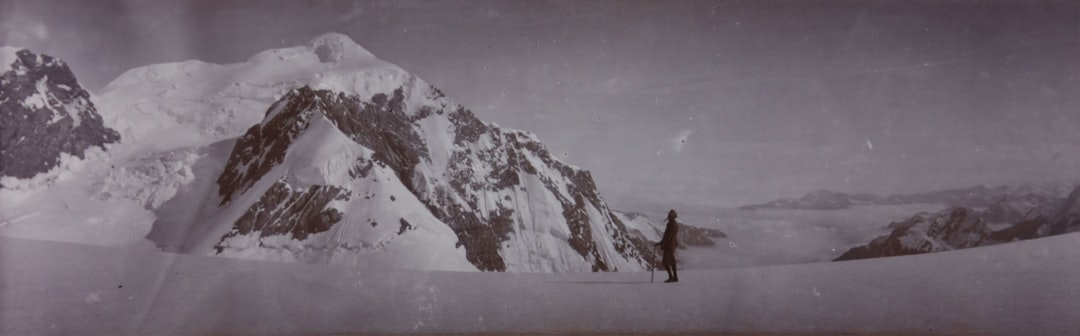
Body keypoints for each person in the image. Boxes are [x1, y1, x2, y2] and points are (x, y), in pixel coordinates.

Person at [655, 209, 680, 283]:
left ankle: (671, 277)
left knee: (665, 262)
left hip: (669, 245)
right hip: (672, 245)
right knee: (672, 261)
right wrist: (661, 243)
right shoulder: (673, 224)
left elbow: (668, 236)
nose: (668, 216)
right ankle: (675, 277)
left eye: (669, 215)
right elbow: (669, 236)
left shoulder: (672, 224)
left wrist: (661, 243)